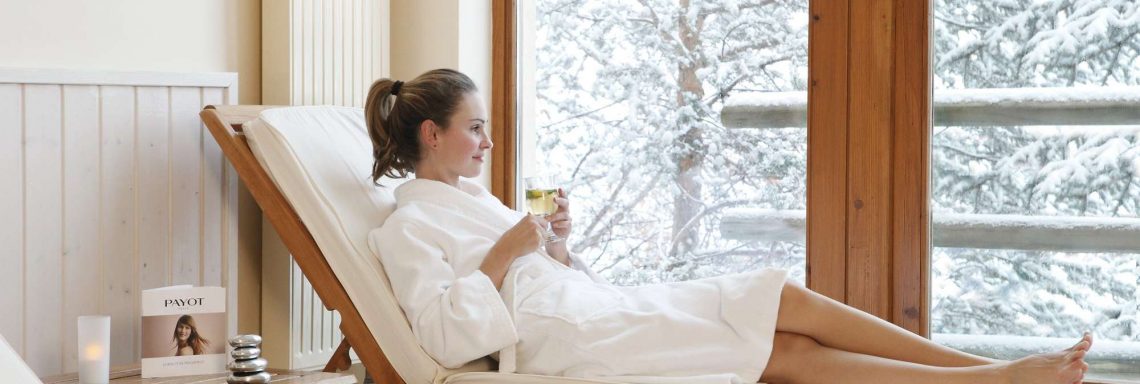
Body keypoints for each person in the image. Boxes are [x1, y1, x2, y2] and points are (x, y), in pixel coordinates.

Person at [364, 68, 1092, 384]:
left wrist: (556, 247)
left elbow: (530, 273)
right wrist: (506, 254)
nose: (487, 144)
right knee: (777, 349)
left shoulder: (478, 203)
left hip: (588, 306)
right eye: (476, 130)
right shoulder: (407, 228)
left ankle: (980, 370)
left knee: (778, 301)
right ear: (431, 135)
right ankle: (992, 378)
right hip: (568, 339)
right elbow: (442, 335)